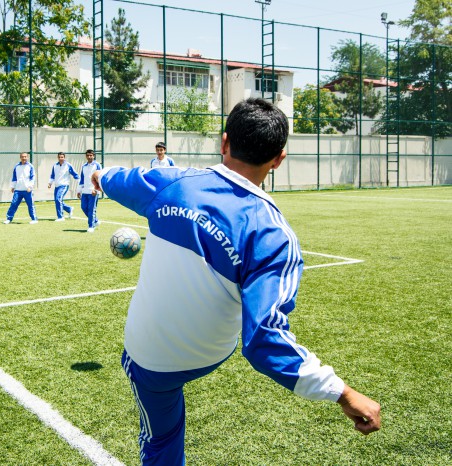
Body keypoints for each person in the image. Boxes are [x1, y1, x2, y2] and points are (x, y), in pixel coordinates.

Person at [90, 98, 381, 465]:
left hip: (149, 357)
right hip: (209, 354)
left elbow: (110, 177)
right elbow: (264, 342)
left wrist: (98, 176)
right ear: (279, 159)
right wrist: (344, 394)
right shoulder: (274, 236)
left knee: (161, 439)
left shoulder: (168, 182)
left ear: (224, 142)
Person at [3, 152, 38, 224]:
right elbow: (14, 177)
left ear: (27, 157)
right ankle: (9, 219)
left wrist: (30, 187)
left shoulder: (30, 166)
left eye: (25, 157)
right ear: (20, 157)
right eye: (22, 157)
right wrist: (13, 186)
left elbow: (33, 177)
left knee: (30, 204)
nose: (24, 158)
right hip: (18, 190)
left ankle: (34, 219)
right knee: (14, 203)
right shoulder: (16, 166)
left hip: (27, 190)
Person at [48, 152, 79, 221]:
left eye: (62, 157)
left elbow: (75, 174)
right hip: (57, 186)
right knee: (57, 200)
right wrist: (50, 183)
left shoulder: (68, 165)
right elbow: (52, 175)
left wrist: (80, 182)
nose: (60, 158)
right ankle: (69, 209)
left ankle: (61, 217)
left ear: (64, 158)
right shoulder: (55, 165)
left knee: (58, 199)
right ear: (58, 158)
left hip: (64, 185)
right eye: (59, 157)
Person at [76, 149, 102, 233]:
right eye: (88, 155)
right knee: (83, 207)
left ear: (93, 156)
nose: (89, 157)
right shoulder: (84, 166)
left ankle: (91, 226)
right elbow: (82, 179)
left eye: (91, 155)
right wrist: (79, 190)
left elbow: (100, 178)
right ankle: (95, 221)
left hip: (93, 191)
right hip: (85, 191)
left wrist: (96, 189)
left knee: (91, 209)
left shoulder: (97, 165)